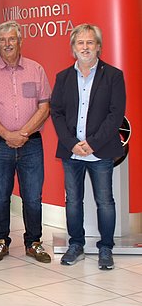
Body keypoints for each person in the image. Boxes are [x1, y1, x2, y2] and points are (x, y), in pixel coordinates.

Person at [50, 24, 126, 270]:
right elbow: (57, 113)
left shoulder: (113, 76)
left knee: (105, 201)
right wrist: (72, 144)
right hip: (72, 152)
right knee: (73, 201)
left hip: (100, 151)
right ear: (73, 48)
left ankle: (106, 248)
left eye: (90, 42)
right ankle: (76, 245)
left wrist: (92, 143)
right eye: (80, 43)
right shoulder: (63, 77)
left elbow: (116, 116)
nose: (85, 47)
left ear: (98, 47)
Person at [0, 20, 52, 263]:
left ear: (20, 42)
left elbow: (44, 107)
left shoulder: (36, 70)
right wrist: (8, 135)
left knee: (32, 196)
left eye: (12, 39)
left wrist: (23, 134)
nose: (7, 44)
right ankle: (0, 241)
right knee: (0, 195)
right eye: (2, 40)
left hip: (31, 144)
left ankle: (34, 242)